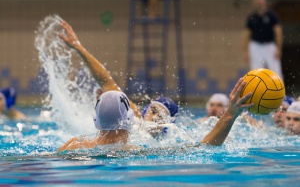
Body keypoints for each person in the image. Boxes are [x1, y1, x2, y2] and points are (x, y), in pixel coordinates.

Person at [58, 78, 254, 152]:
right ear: (130, 119)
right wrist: (231, 114)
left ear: (95, 120)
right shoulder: (136, 153)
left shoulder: (73, 145)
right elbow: (204, 147)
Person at [58, 20, 177, 137]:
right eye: (154, 110)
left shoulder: (168, 144)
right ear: (145, 110)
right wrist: (78, 47)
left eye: (161, 117)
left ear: (168, 124)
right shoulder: (133, 115)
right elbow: (106, 81)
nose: (154, 117)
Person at [242, 0, 284, 80]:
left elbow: (278, 32)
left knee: (276, 71)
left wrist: (279, 48)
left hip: (270, 45)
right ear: (254, 2)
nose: (259, 2)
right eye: (256, 0)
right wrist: (244, 51)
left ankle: (279, 92)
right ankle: (256, 91)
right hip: (256, 46)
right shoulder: (252, 17)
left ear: (264, 1)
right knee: (255, 73)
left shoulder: (272, 16)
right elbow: (246, 35)